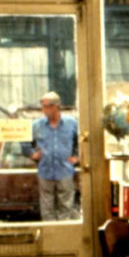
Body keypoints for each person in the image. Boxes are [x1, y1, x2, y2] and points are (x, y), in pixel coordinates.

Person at [24, 91, 79, 220]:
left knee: (65, 208)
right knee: (47, 209)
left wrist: (77, 157)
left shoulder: (71, 124)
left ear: (56, 106)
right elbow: (25, 143)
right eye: (42, 106)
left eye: (46, 106)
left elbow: (82, 141)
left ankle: (63, 237)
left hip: (65, 171)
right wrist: (32, 154)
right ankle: (51, 238)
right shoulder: (37, 125)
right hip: (45, 172)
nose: (43, 110)